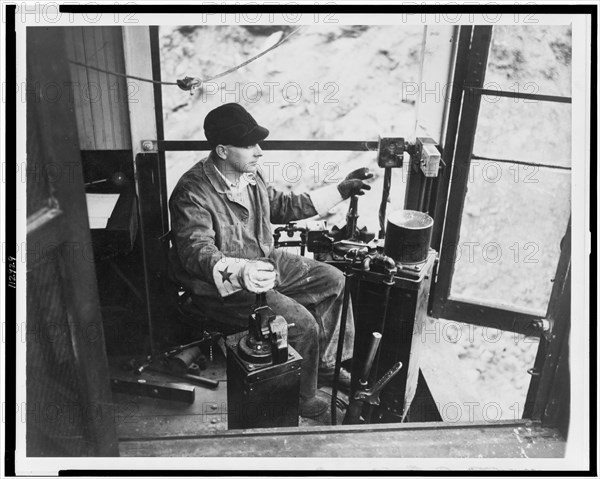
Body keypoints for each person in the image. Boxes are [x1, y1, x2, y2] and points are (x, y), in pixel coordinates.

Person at [168, 103, 372, 418]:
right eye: (250, 145)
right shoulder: (192, 192)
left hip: (265, 261)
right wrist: (241, 271)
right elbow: (196, 251)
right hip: (223, 285)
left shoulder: (249, 174)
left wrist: (341, 191)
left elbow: (281, 205)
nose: (259, 151)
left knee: (334, 281)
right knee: (301, 324)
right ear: (223, 151)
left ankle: (326, 365)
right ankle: (302, 396)